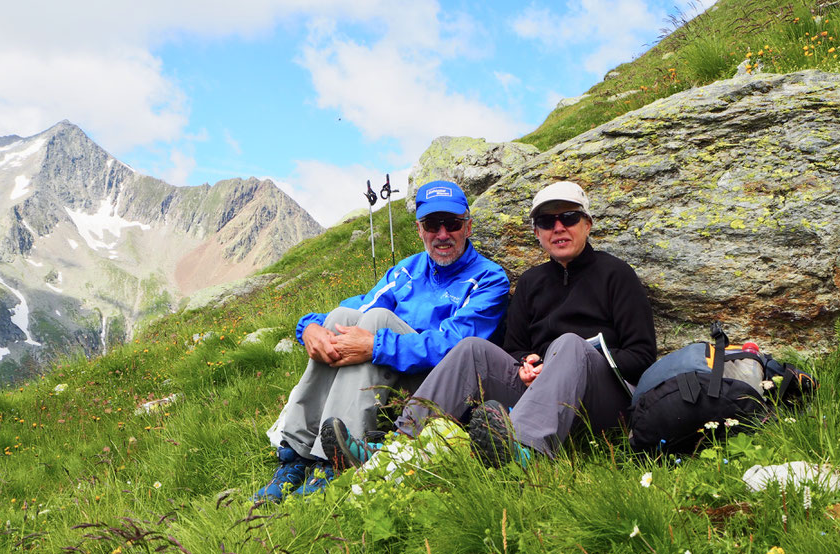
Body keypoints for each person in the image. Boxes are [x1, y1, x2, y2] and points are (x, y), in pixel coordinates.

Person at [324, 181, 656, 469]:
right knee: (471, 349)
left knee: (569, 344)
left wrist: (570, 359)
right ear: (537, 232)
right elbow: (513, 347)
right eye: (546, 221)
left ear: (587, 224)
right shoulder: (530, 283)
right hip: (538, 391)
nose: (558, 228)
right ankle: (397, 448)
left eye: (569, 217)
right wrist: (527, 363)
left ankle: (524, 450)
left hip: (600, 402)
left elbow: (642, 356)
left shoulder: (616, 275)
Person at [253, 180, 510, 502]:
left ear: (468, 227)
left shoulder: (489, 278)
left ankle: (336, 458)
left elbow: (456, 344)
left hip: (438, 386)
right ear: (419, 229)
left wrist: (376, 345)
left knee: (376, 321)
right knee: (340, 317)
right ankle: (297, 455)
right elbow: (359, 306)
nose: (442, 235)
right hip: (392, 374)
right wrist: (309, 328)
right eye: (432, 224)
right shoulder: (407, 270)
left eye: (453, 224)